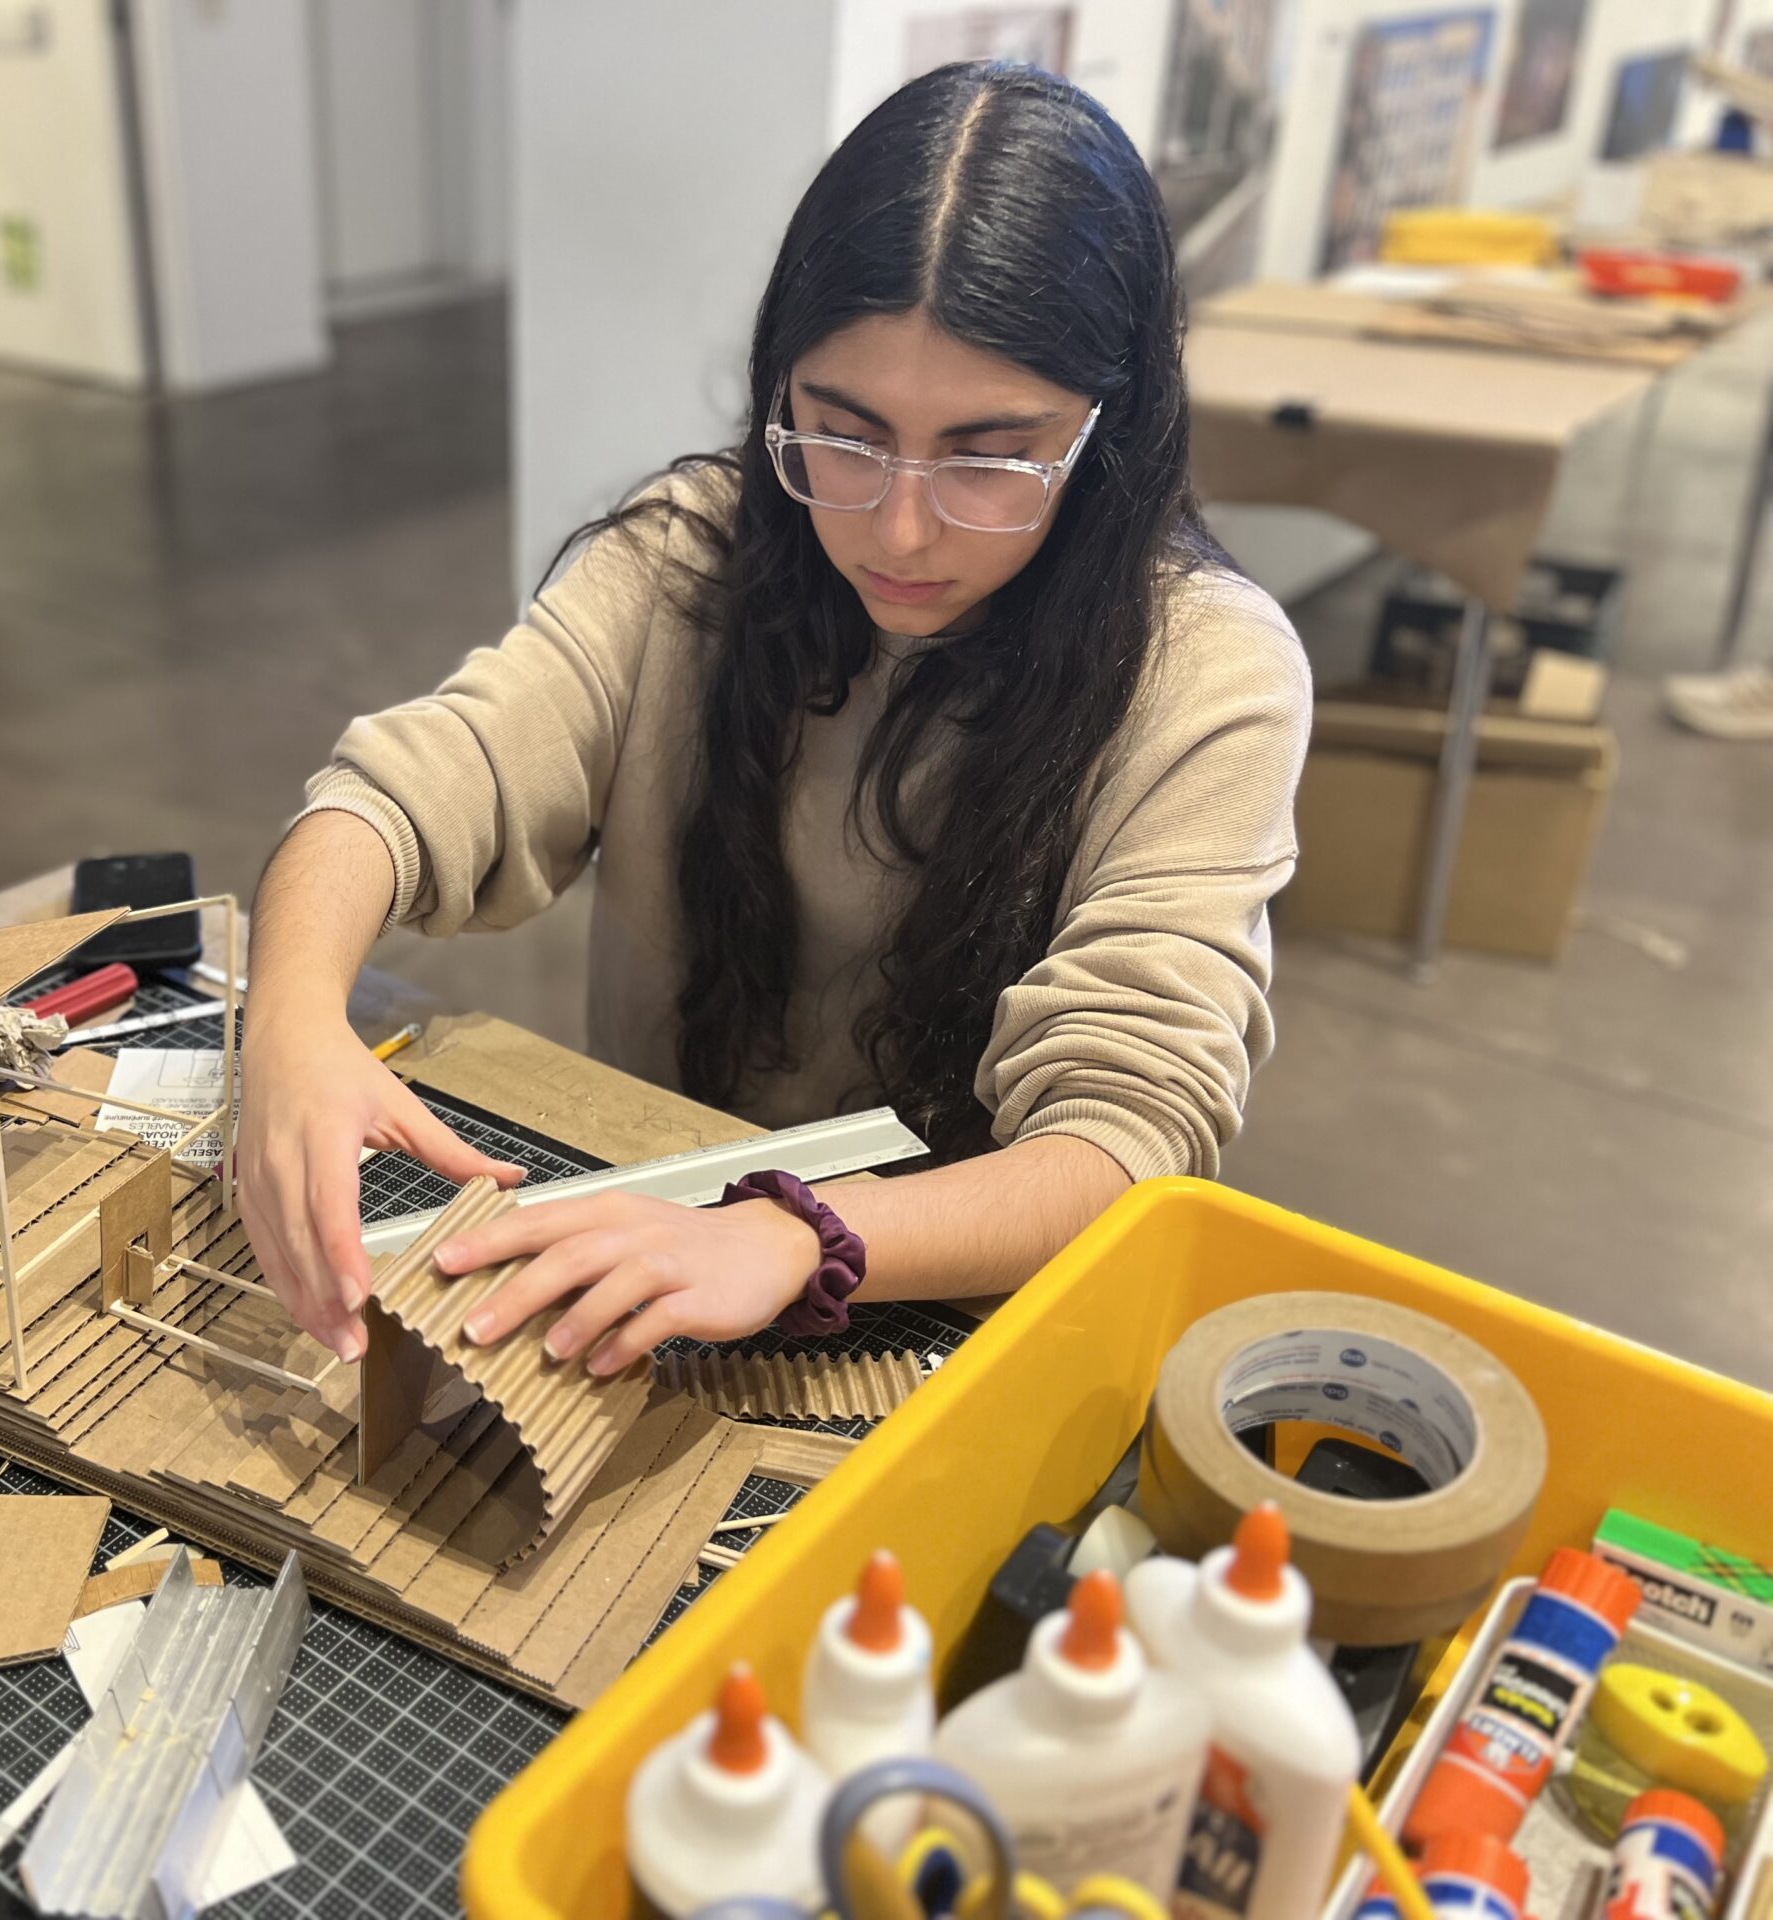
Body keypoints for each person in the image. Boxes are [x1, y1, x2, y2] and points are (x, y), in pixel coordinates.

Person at [237, 62, 1311, 1375]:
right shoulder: (694, 549)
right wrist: (288, 1021)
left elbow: (1125, 1139)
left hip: (954, 1297)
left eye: (989, 455)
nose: (899, 527)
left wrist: (798, 1238)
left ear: (1111, 430)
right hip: (657, 1234)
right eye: (841, 435)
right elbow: (415, 784)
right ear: (778, 389)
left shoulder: (1204, 669)